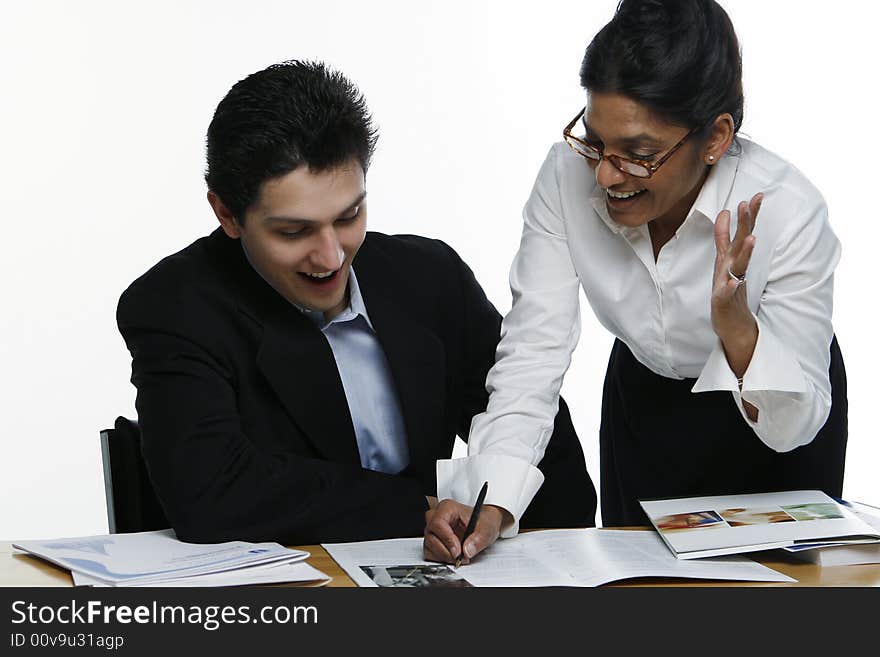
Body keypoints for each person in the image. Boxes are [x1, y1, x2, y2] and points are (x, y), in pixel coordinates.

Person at [424, 0, 847, 564]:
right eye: (596, 142)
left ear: (716, 136)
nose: (603, 173)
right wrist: (493, 496)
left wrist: (739, 330)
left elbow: (797, 426)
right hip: (643, 403)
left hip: (772, 401)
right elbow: (533, 349)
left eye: (639, 154)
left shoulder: (788, 210)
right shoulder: (564, 175)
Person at [116, 60, 596, 545]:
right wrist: (417, 509)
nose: (331, 256)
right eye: (293, 231)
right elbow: (212, 494)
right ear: (227, 214)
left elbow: (546, 455)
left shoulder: (430, 276)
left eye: (349, 216)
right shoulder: (173, 307)